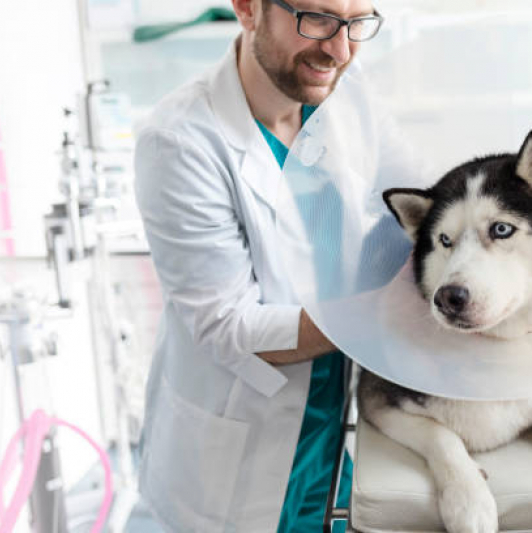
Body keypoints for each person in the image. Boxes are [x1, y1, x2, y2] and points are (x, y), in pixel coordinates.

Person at [131, 0, 399, 531]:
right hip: (231, 466)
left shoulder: (346, 90)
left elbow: (412, 188)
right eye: (318, 19)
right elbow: (229, 326)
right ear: (248, 8)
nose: (341, 50)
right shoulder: (181, 139)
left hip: (327, 438)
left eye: (357, 23)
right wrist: (375, 315)